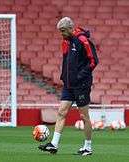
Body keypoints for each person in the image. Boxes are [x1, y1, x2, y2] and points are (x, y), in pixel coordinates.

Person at [38, 17, 98, 156]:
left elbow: (94, 61)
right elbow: (66, 62)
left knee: (84, 116)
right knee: (61, 112)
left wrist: (79, 76)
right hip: (68, 85)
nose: (61, 34)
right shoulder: (65, 41)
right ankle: (54, 144)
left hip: (81, 84)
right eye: (60, 31)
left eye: (63, 31)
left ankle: (88, 147)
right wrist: (64, 77)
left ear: (71, 28)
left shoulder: (83, 41)